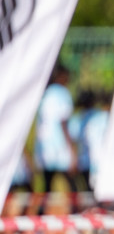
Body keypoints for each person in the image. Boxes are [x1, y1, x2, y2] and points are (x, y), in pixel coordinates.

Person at [31, 64, 79, 215]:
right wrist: (71, 150)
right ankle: (75, 226)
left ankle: (38, 231)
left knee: (46, 190)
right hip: (60, 150)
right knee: (73, 190)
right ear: (61, 76)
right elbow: (63, 122)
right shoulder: (62, 93)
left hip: (44, 151)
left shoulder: (43, 93)